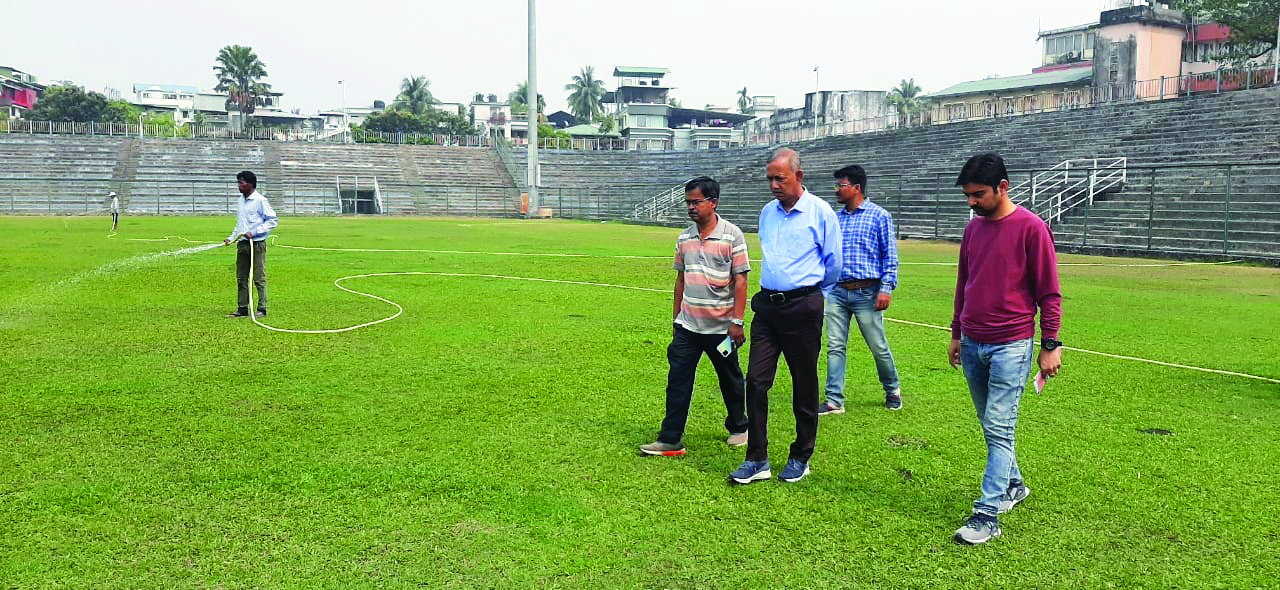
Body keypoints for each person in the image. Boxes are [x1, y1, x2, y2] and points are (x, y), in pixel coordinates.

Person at [948, 153, 1063, 545]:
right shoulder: (973, 230)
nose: (971, 203)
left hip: (1012, 345)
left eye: (978, 194)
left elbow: (1050, 293)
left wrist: (1050, 345)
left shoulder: (1032, 228)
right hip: (973, 341)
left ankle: (987, 515)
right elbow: (964, 283)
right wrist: (956, 332)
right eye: (967, 195)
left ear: (1003, 188)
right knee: (990, 425)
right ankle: (1014, 485)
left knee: (998, 427)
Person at [730, 148, 841, 485]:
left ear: (799, 176)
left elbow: (833, 264)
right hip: (767, 307)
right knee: (756, 380)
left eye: (781, 178)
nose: (774, 184)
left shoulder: (820, 213)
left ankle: (800, 455)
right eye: (770, 179)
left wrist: (811, 298)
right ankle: (757, 458)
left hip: (803, 306)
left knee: (803, 382)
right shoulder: (768, 213)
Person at [640, 176, 751, 457]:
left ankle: (739, 426)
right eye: (687, 202)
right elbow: (680, 280)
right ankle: (670, 438)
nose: (690, 207)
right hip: (688, 326)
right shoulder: (684, 237)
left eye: (696, 202)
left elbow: (740, 281)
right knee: (678, 380)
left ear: (713, 202)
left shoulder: (732, 235)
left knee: (731, 379)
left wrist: (737, 322)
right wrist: (676, 319)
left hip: (721, 328)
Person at [820, 165, 903, 414]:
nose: (836, 190)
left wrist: (886, 288)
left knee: (877, 345)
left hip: (867, 292)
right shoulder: (835, 218)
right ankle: (834, 400)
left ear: (856, 188)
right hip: (837, 291)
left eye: (841, 185)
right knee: (835, 345)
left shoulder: (879, 216)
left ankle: (892, 389)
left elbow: (890, 256)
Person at [223, 171, 278, 318]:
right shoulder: (240, 201)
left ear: (250, 184)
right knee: (241, 278)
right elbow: (240, 225)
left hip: (257, 244)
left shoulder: (260, 201)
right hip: (242, 244)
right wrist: (231, 238)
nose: (239, 185)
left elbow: (272, 220)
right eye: (238, 182)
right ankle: (242, 309)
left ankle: (262, 309)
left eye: (241, 182)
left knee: (258, 278)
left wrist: (255, 232)